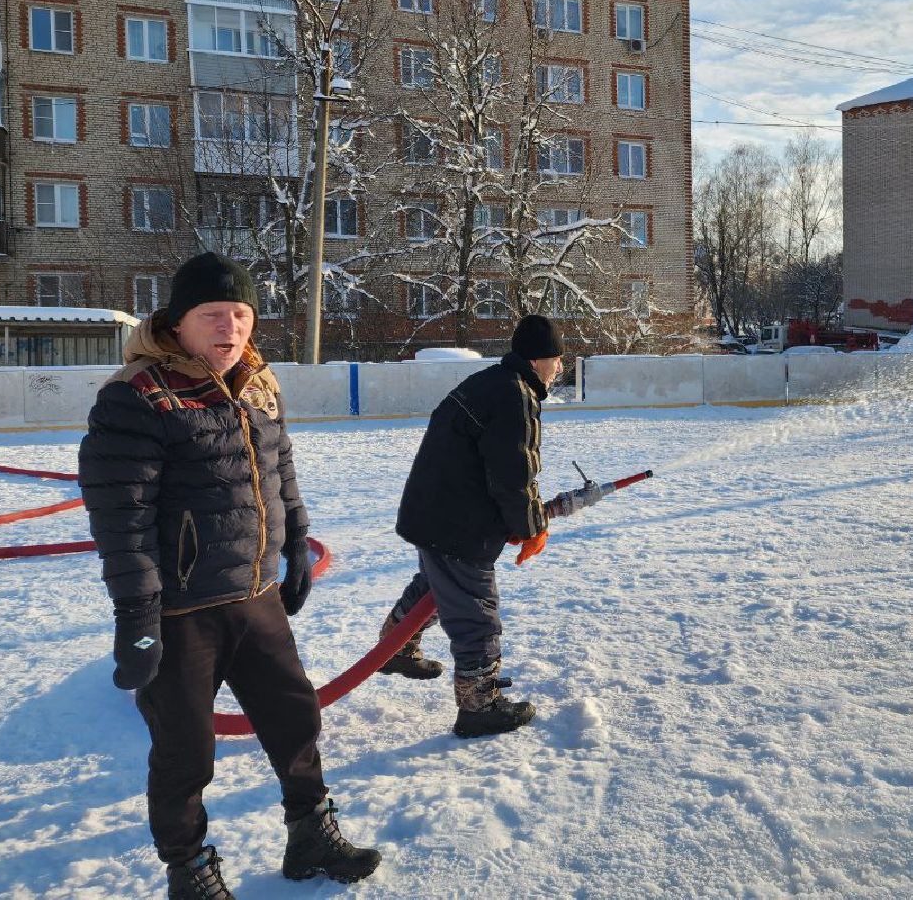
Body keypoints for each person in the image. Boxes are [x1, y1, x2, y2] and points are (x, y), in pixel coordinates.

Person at [78, 252, 382, 899]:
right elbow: (120, 519)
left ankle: (310, 834)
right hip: (181, 612)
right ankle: (188, 870)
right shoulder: (136, 397)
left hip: (255, 595)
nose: (231, 327)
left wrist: (296, 541)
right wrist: (136, 616)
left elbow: (282, 471)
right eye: (214, 314)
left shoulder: (256, 382)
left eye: (241, 313)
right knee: (187, 752)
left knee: (295, 719)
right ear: (178, 322)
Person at [377, 314, 598, 737]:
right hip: (457, 523)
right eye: (556, 360)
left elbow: (501, 471)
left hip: (435, 512)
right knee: (476, 612)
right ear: (539, 360)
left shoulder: (492, 383)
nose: (558, 369)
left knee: (436, 587)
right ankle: (479, 705)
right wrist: (533, 528)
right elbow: (515, 477)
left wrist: (523, 521)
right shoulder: (515, 397)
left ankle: (396, 648)